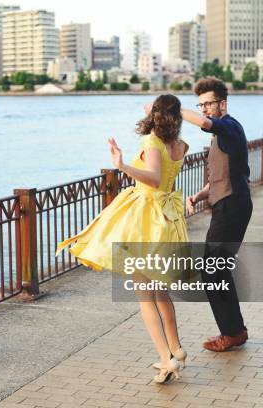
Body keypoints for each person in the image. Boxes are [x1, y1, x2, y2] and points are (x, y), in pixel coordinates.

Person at [56, 94, 189, 383]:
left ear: (156, 113)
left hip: (146, 218)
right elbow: (164, 178)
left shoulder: (152, 142)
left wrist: (121, 165)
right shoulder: (180, 145)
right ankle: (176, 348)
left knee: (144, 295)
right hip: (165, 219)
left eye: (151, 105)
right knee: (160, 290)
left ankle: (166, 359)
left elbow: (153, 178)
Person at [180, 77, 252, 352]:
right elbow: (221, 176)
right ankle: (235, 330)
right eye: (200, 105)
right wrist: (199, 195)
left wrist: (171, 108)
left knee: (213, 270)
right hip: (226, 203)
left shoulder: (230, 127)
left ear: (223, 103)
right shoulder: (219, 137)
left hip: (233, 206)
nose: (204, 109)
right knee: (215, 269)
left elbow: (204, 122)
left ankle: (233, 332)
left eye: (208, 103)